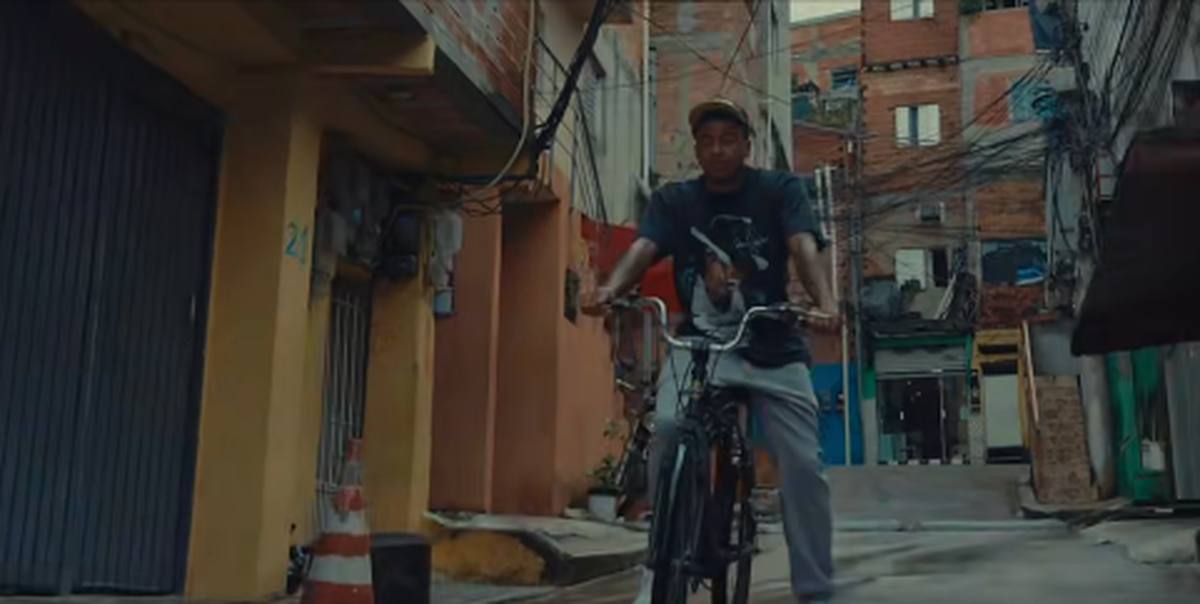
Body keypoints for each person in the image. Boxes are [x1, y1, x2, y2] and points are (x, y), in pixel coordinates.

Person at [581, 98, 840, 603]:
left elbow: (803, 244)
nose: (718, 149)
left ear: (747, 144)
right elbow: (642, 249)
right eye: (707, 140)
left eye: (729, 139)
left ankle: (815, 589)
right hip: (702, 346)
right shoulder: (674, 201)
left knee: (804, 466)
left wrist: (826, 301)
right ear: (696, 149)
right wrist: (610, 291)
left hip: (773, 346)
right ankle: (662, 570)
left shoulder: (778, 190)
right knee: (669, 431)